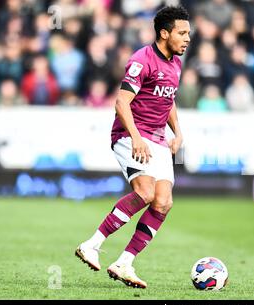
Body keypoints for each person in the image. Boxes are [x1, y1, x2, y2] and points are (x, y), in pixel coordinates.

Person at [75, 6, 190, 289]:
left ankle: (124, 262)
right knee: (145, 192)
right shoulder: (141, 60)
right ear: (164, 33)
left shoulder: (175, 62)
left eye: (189, 33)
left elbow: (168, 98)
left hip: (159, 139)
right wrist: (137, 137)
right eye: (182, 32)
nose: (188, 38)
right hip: (130, 135)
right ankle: (92, 244)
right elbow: (121, 102)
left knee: (163, 202)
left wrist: (177, 132)